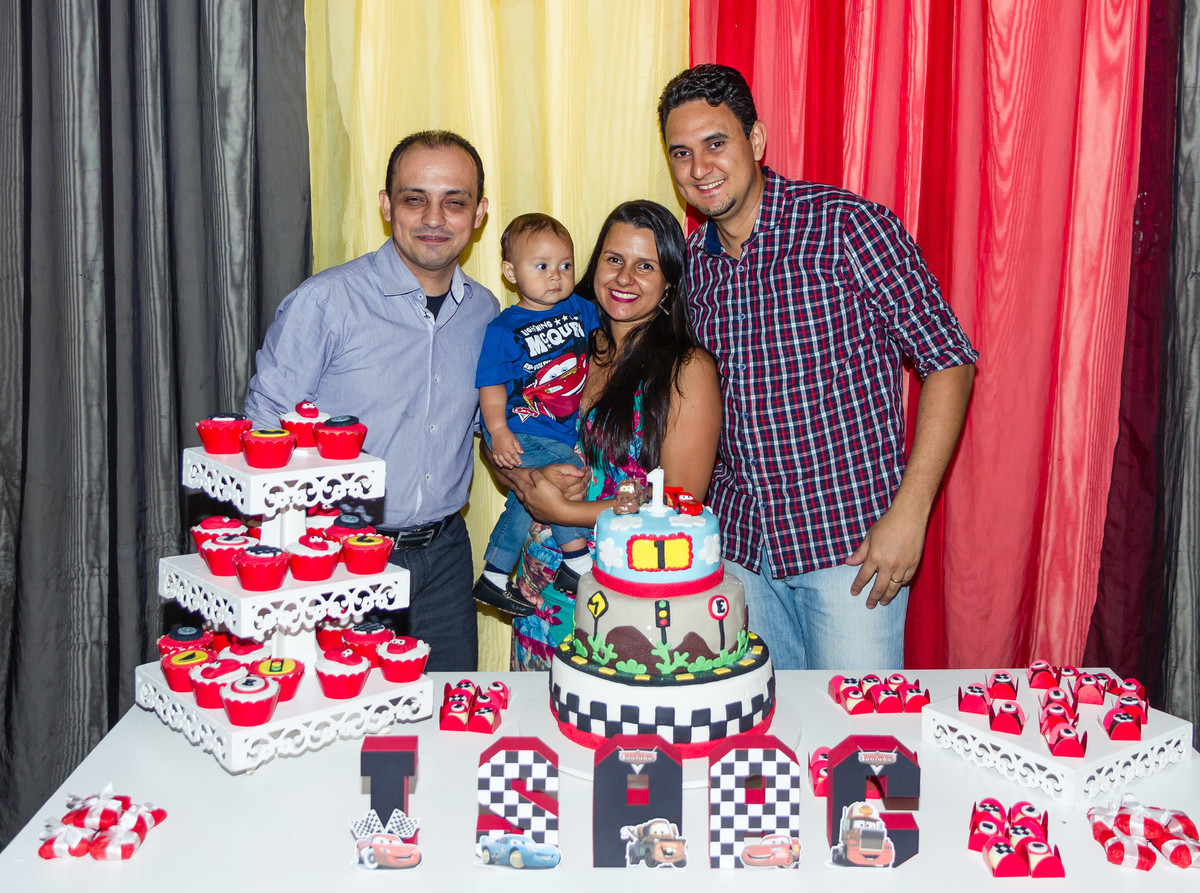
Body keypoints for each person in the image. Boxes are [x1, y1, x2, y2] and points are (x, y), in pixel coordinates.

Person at [657, 64, 978, 671]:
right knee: (764, 745)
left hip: (851, 555)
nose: (699, 168)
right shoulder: (693, 266)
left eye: (716, 144)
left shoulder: (848, 228)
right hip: (741, 557)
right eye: (681, 153)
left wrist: (911, 512)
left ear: (755, 141)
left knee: (858, 743)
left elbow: (950, 359)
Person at [244, 130, 498, 671]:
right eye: (415, 199)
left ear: (478, 214)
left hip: (445, 558)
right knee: (344, 736)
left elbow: (488, 425)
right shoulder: (326, 302)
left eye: (454, 201)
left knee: (445, 727)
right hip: (338, 556)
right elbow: (261, 435)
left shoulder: (485, 312)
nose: (435, 217)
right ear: (386, 206)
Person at [492, 201, 723, 668]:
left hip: (622, 597)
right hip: (538, 596)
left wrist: (566, 511)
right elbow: (510, 438)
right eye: (614, 259)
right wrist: (526, 478)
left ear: (669, 283)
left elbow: (682, 502)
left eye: (646, 266)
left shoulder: (686, 369)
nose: (624, 278)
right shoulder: (566, 343)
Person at [473, 214, 599, 616]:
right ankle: (577, 562)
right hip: (518, 427)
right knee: (567, 474)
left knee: (523, 502)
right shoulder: (504, 328)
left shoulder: (580, 308)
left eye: (565, 265)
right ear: (511, 272)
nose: (556, 276)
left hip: (554, 428)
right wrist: (496, 429)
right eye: (541, 266)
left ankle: (493, 577)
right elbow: (491, 384)